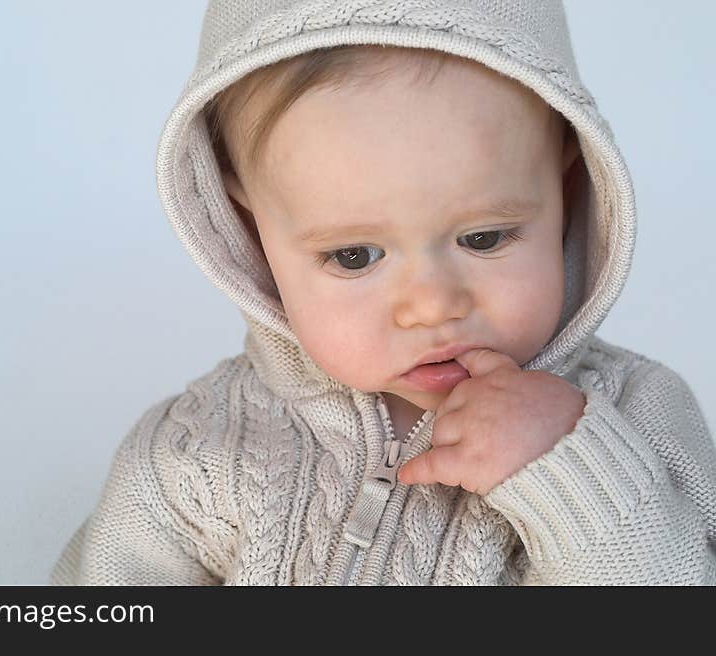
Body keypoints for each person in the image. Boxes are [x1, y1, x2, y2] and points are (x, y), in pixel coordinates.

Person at [50, 0, 716, 585]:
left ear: (567, 192)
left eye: (484, 238)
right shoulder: (193, 452)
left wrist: (572, 470)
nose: (432, 306)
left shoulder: (637, 415)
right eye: (354, 255)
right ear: (249, 229)